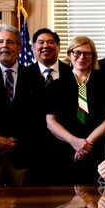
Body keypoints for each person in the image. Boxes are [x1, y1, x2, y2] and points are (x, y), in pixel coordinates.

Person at [0, 24, 46, 187]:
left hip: (23, 155)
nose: (4, 46)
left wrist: (15, 141)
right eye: (0, 42)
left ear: (19, 47)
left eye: (10, 42)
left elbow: (39, 118)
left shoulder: (36, 79)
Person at [46, 36, 105, 185]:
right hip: (65, 150)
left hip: (98, 149)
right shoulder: (57, 84)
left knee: (98, 199)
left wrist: (87, 143)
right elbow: (50, 121)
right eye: (77, 52)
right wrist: (75, 142)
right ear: (70, 55)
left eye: (87, 53)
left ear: (93, 56)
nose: (81, 57)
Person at [28, 28, 73, 185]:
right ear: (33, 47)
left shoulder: (72, 74)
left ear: (58, 47)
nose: (45, 46)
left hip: (66, 147)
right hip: (33, 149)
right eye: (40, 42)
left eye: (50, 42)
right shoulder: (24, 75)